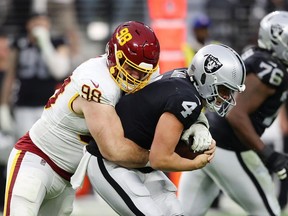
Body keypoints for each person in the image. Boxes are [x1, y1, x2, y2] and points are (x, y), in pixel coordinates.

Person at [4, 21, 160, 216]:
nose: (136, 77)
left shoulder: (149, 75)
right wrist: (158, 156)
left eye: (142, 72)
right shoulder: (96, 81)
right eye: (130, 68)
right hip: (36, 160)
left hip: (68, 178)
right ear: (113, 56)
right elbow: (114, 150)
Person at [71, 44, 246, 215]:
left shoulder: (185, 79)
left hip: (139, 161)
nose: (226, 98)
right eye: (224, 90)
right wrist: (195, 164)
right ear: (207, 78)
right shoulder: (187, 99)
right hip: (112, 164)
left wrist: (201, 125)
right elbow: (160, 159)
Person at [178, 11, 288, 216]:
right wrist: (267, 153)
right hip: (229, 146)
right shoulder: (272, 70)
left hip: (207, 140)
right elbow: (235, 113)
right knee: (268, 213)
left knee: (184, 213)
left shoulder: (256, 56)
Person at [1, 12, 71, 140]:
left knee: (48, 143)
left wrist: (45, 44)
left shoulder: (57, 42)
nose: (39, 26)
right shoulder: (19, 44)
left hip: (49, 104)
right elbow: (10, 76)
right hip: (24, 104)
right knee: (26, 143)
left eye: (43, 22)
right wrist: (3, 105)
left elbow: (60, 71)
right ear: (28, 25)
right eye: (36, 22)